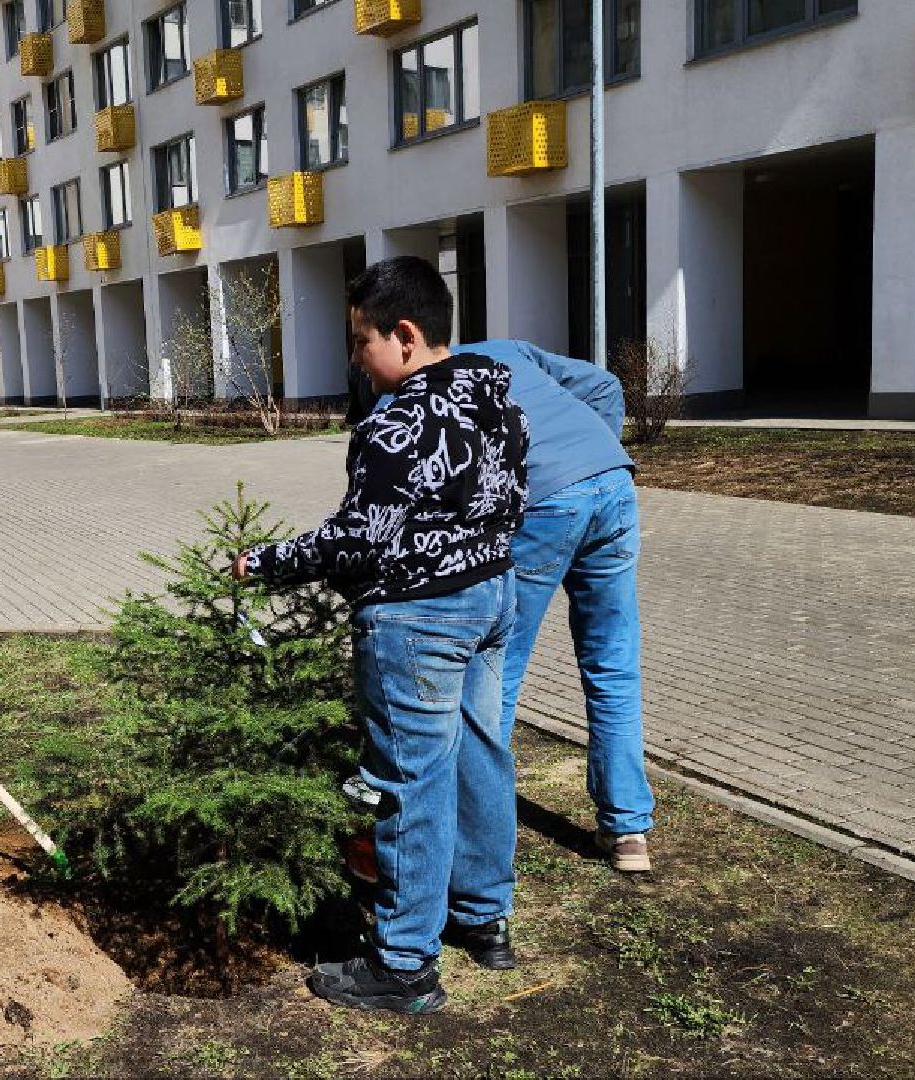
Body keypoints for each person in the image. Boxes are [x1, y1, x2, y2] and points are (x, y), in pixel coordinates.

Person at [233, 256, 529, 1014]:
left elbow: (359, 538)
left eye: (361, 341)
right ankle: (483, 918)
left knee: (411, 782)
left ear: (404, 335)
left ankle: (403, 965)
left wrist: (263, 562)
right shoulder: (500, 403)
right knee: (482, 754)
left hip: (418, 618)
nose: (358, 359)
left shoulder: (397, 423)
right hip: (491, 598)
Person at [453, 339, 655, 872]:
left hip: (540, 504)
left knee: (495, 668)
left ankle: (477, 836)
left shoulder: (407, 391)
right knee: (612, 662)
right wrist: (588, 460)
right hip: (611, 482)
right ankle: (628, 829)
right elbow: (604, 385)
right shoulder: (504, 348)